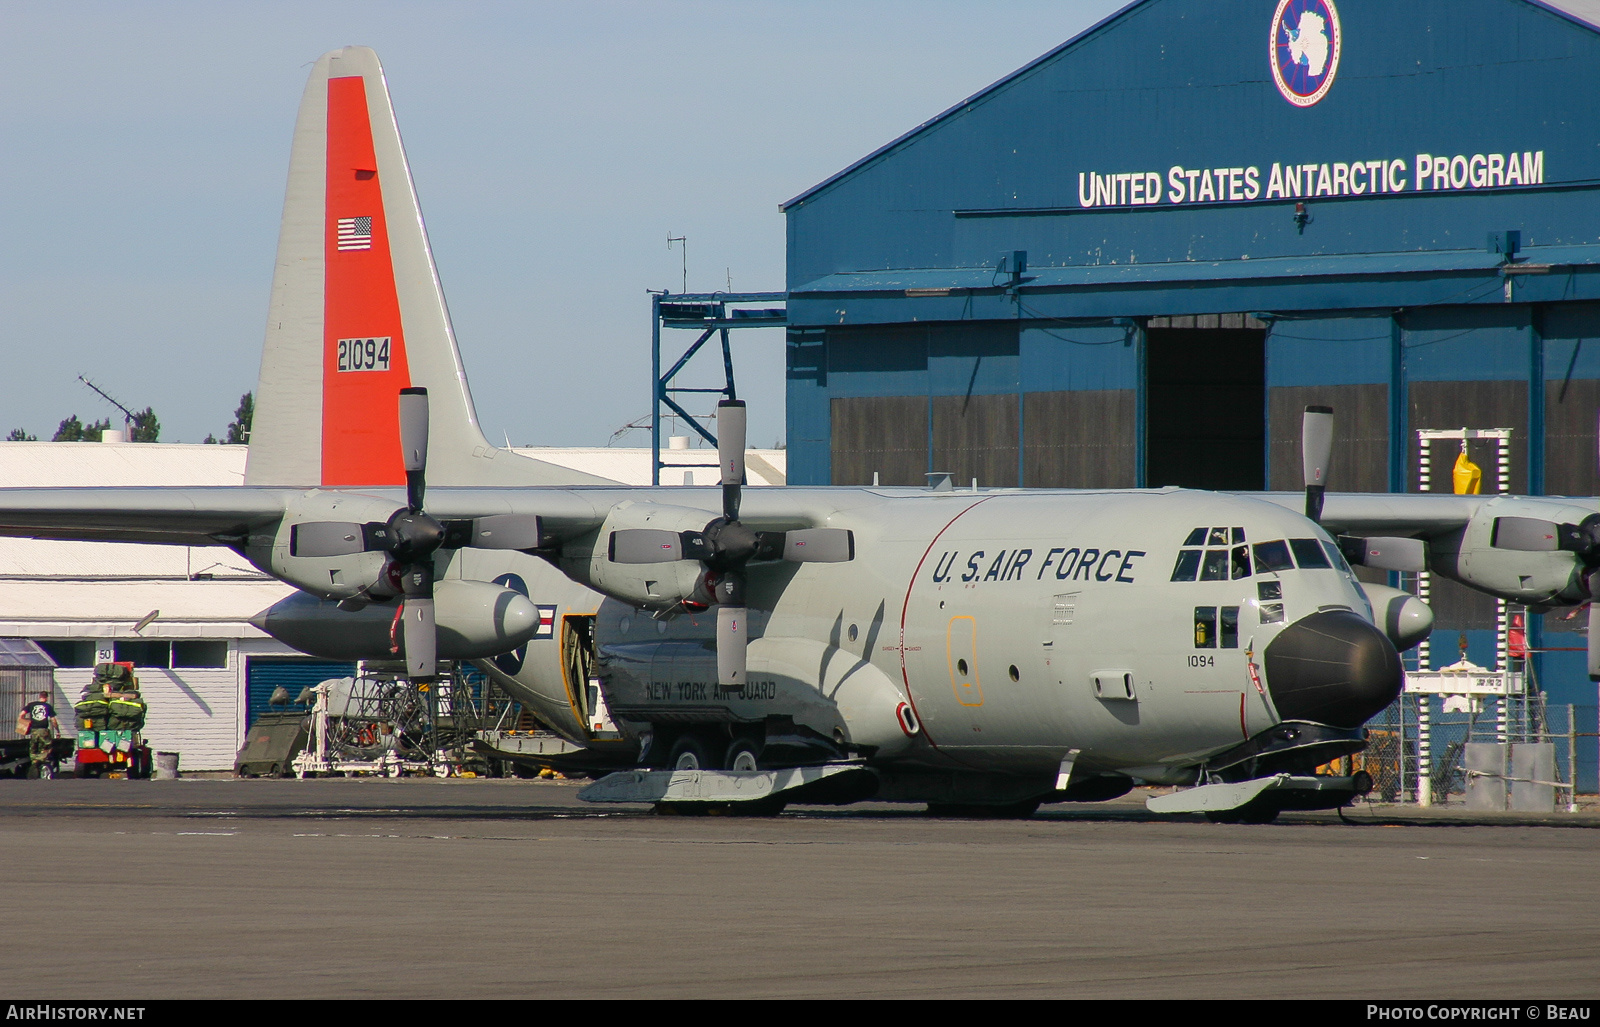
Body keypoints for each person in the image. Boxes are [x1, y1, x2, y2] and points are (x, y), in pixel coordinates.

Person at [18, 691, 60, 774]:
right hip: (43, 730)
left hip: (34, 730)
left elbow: (21, 715)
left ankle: (34, 762)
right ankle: (41, 762)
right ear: (47, 697)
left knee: (33, 747)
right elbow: (53, 720)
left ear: (39, 696)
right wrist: (57, 731)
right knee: (46, 747)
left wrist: (27, 723)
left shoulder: (31, 705)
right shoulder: (48, 706)